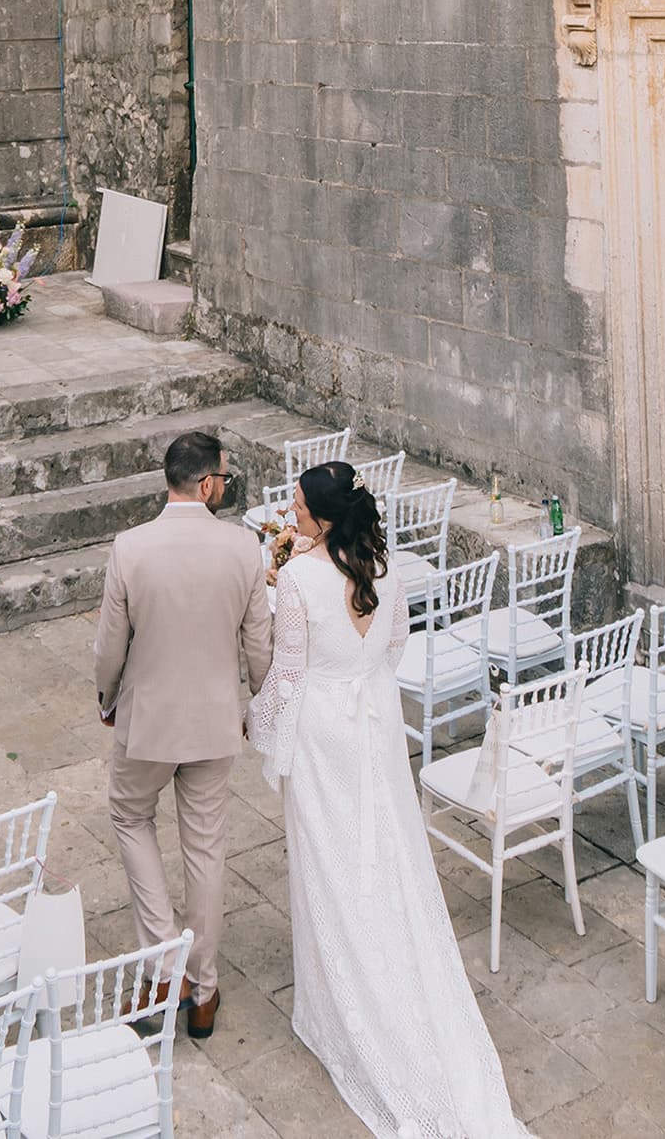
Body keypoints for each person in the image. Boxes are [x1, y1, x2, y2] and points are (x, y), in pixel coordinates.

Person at [249, 461, 539, 1139]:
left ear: (322, 518)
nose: (289, 516)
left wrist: (258, 724)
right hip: (376, 720)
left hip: (324, 727)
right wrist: (362, 675)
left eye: (296, 508)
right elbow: (399, 642)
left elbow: (287, 675)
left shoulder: (294, 579)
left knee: (328, 857)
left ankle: (336, 1009)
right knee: (381, 845)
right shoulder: (384, 567)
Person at [94, 430, 272, 1039]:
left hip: (147, 719)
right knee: (206, 849)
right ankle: (204, 988)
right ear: (205, 483)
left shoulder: (130, 547)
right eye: (224, 476)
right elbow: (259, 646)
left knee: (128, 817)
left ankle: (164, 958)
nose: (226, 486)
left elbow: (109, 645)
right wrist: (255, 703)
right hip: (214, 720)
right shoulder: (245, 549)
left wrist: (108, 697)